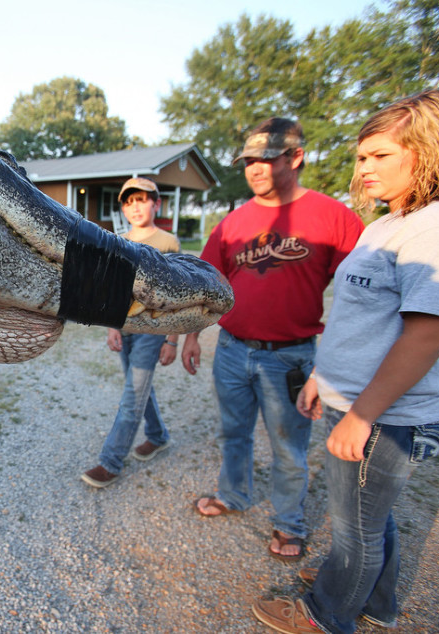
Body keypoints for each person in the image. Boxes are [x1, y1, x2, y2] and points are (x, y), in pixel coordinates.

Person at [252, 90, 439, 634]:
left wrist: (362, 415)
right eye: (361, 156)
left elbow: (429, 334)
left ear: (430, 151)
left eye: (381, 155)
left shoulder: (436, 227)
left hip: (386, 415)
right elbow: (358, 317)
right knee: (370, 518)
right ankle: (377, 601)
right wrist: (323, 376)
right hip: (357, 399)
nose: (364, 167)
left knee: (354, 528)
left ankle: (327, 614)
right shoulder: (389, 222)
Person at [181, 118, 365, 561]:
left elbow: (360, 298)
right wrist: (190, 336)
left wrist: (329, 366)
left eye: (265, 159)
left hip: (291, 358)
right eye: (249, 161)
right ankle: (234, 494)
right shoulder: (232, 223)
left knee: (288, 447)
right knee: (234, 433)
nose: (255, 168)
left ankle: (289, 524)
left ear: (295, 157)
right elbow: (206, 285)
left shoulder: (334, 217)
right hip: (232, 349)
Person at [81, 177, 180, 488]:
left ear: (156, 204)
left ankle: (111, 461)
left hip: (153, 331)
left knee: (132, 397)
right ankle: (158, 436)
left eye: (142, 200)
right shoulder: (119, 241)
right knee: (138, 389)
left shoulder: (168, 242)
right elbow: (114, 292)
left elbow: (177, 297)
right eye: (129, 201)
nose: (135, 207)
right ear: (123, 208)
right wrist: (112, 328)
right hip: (125, 329)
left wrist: (172, 340)